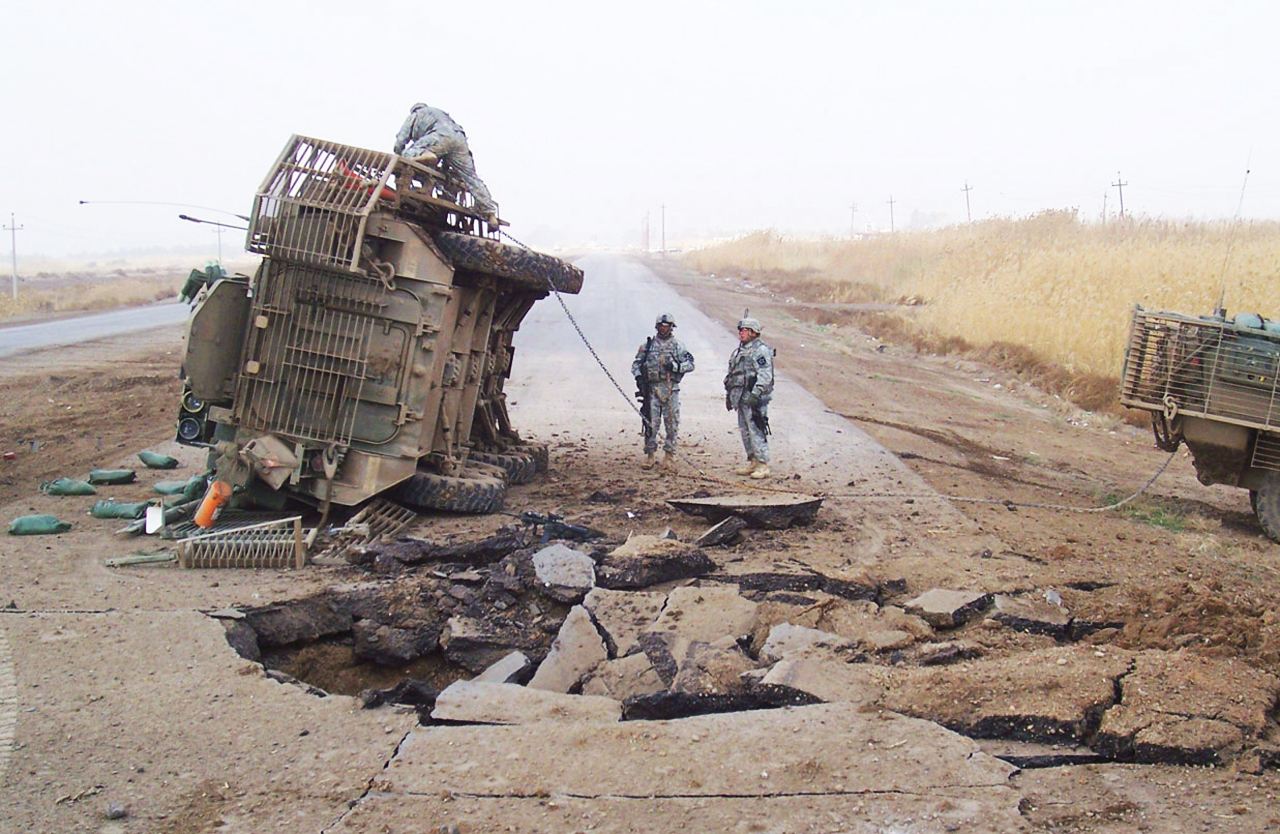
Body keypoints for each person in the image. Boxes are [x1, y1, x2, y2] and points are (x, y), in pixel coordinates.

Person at [393, 102, 498, 218]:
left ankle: (428, 153)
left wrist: (399, 157)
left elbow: (401, 140)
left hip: (440, 137)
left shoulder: (416, 114)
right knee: (471, 177)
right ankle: (489, 211)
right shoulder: (442, 115)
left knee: (406, 155)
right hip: (459, 140)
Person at [632, 313, 696, 470]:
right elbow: (636, 365)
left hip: (670, 389)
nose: (664, 329)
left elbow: (690, 364)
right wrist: (639, 378)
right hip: (652, 390)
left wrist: (675, 367)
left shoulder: (678, 346)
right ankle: (650, 454)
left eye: (667, 327)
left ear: (671, 328)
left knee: (671, 423)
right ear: (657, 327)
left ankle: (669, 455)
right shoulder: (647, 346)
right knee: (650, 424)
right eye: (661, 326)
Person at [724, 315, 774, 479]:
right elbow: (733, 373)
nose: (742, 333)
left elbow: (765, 375)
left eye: (745, 330)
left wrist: (756, 393)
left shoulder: (760, 350)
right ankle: (753, 460)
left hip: (754, 398)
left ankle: (763, 464)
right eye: (741, 330)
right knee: (745, 431)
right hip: (740, 396)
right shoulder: (740, 350)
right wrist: (729, 394)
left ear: (754, 332)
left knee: (756, 430)